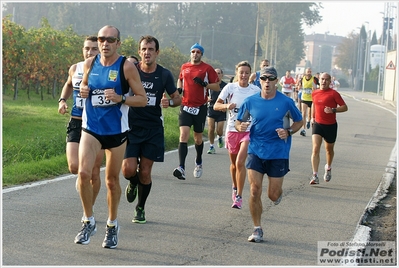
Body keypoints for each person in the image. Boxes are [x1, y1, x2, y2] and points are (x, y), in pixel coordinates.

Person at [75, 25, 147, 249]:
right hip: (91, 128)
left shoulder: (126, 67)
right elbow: (85, 86)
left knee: (111, 181)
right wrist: (84, 90)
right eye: (101, 39)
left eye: (110, 40)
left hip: (116, 131)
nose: (105, 44)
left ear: (118, 43)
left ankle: (112, 225)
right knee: (84, 172)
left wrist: (121, 98)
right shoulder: (90, 64)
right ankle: (88, 221)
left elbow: (142, 99)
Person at [235, 66, 303, 243]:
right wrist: (239, 127)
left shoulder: (286, 102)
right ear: (259, 81)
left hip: (278, 152)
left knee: (272, 195)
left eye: (270, 79)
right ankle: (257, 228)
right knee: (255, 190)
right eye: (263, 79)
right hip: (256, 150)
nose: (266, 82)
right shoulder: (250, 101)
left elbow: (299, 121)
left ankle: (277, 194)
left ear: (276, 81)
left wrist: (288, 132)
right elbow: (238, 121)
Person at [122, 35, 181, 224]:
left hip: (153, 128)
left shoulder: (164, 75)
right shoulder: (131, 70)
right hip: (131, 127)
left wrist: (169, 102)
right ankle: (132, 182)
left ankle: (140, 208)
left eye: (151, 49)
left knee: (145, 172)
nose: (147, 53)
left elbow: (177, 98)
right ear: (139, 52)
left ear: (157, 52)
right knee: (128, 169)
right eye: (144, 49)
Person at [58, 36, 103, 215]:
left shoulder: (106, 71)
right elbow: (68, 85)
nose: (89, 52)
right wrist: (62, 100)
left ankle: (88, 212)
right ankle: (81, 180)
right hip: (76, 123)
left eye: (94, 49)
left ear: (99, 51)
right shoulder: (75, 68)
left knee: (93, 172)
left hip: (97, 126)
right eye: (87, 48)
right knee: (75, 167)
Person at [214, 61, 260, 209]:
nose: (244, 75)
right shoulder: (230, 88)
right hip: (232, 130)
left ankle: (239, 196)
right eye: (242, 72)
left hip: (248, 131)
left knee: (240, 162)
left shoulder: (255, 90)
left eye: (247, 72)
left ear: (250, 74)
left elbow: (261, 108)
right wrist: (227, 106)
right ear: (237, 73)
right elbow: (216, 105)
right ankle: (234, 186)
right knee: (234, 165)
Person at [172, 43, 219, 180]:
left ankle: (198, 162)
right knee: (183, 135)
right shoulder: (184, 67)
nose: (195, 54)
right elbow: (180, 80)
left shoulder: (207, 68)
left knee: (198, 138)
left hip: (200, 107)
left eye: (198, 52)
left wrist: (205, 84)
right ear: (190, 53)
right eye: (193, 51)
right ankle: (181, 167)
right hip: (185, 106)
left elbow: (216, 86)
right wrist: (179, 89)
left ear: (201, 54)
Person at [309, 72, 348, 185]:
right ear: (319, 80)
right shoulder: (315, 93)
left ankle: (328, 167)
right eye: (322, 79)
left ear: (330, 81)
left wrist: (334, 110)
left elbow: (345, 107)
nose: (324, 81)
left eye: (326, 79)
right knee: (315, 148)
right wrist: (312, 117)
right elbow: (314, 105)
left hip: (330, 125)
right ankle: (315, 175)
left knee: (329, 150)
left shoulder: (334, 94)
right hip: (318, 124)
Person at [207, 68, 227, 154]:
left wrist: (226, 106)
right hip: (211, 108)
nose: (217, 75)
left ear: (222, 75)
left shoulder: (225, 86)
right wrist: (206, 98)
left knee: (219, 130)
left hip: (221, 110)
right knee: (211, 129)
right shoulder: (210, 84)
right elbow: (204, 94)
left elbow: (229, 97)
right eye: (215, 73)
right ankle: (211, 146)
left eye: (219, 73)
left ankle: (219, 137)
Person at [299, 67, 317, 137]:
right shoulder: (302, 79)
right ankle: (304, 129)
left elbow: (317, 86)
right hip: (304, 98)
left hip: (312, 99)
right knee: (303, 113)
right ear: (305, 72)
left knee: (310, 114)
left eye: (310, 71)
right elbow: (300, 86)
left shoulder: (314, 79)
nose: (309, 73)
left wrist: (314, 88)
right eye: (308, 71)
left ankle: (308, 121)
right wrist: (299, 87)